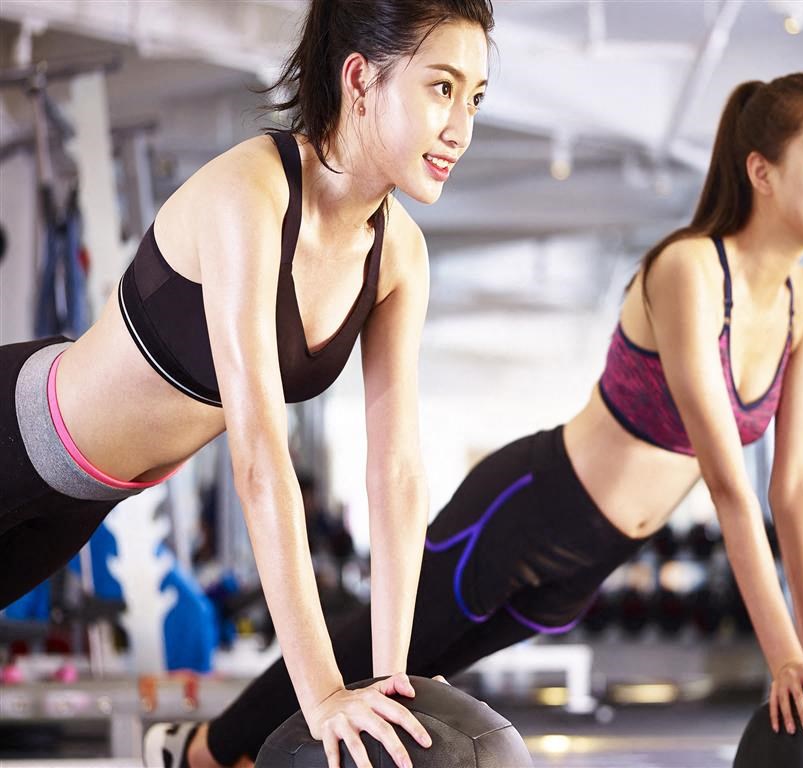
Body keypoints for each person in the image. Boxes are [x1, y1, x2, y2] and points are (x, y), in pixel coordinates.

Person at [157, 71, 803, 768]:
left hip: (591, 563)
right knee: (371, 658)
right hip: (527, 514)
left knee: (416, 691)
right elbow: (729, 483)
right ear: (762, 171)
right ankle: (200, 750)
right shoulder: (692, 271)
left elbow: (795, 486)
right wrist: (783, 659)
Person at [0, 2, 494, 768]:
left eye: (477, 98)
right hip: (18, 438)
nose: (461, 127)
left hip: (81, 502)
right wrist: (322, 696)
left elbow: (395, 471)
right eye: (442, 88)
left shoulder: (399, 255)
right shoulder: (252, 193)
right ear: (360, 80)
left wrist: (389, 679)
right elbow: (259, 457)